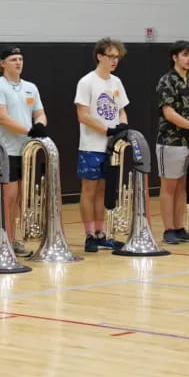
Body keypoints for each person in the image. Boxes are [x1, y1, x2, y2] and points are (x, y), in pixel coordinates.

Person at [0, 45, 48, 258]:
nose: (18, 63)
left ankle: (13, 239)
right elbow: (2, 118)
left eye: (20, 59)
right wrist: (30, 129)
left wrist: (40, 124)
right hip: (5, 150)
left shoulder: (31, 87)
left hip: (26, 151)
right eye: (13, 60)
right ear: (3, 63)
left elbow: (40, 113)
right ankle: (1, 239)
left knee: (22, 198)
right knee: (8, 197)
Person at [74, 38, 129, 253]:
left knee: (103, 191)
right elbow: (83, 115)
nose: (114, 61)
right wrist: (106, 130)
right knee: (89, 189)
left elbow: (122, 109)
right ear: (100, 56)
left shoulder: (116, 83)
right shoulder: (87, 82)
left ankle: (101, 233)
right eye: (111, 56)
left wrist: (122, 127)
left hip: (111, 146)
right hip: (91, 144)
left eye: (117, 57)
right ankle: (89, 235)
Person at [155, 40, 189, 245]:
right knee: (169, 185)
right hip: (171, 140)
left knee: (182, 186)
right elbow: (169, 113)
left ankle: (180, 227)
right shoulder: (167, 80)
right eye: (185, 55)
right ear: (174, 57)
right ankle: (168, 229)